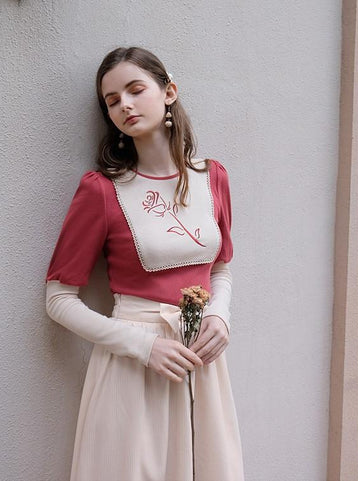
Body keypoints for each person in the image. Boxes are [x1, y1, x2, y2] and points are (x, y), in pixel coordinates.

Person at [45, 46, 245, 481]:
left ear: (169, 91)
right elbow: (58, 299)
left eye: (135, 90)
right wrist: (143, 345)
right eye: (112, 100)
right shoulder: (102, 191)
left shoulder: (212, 178)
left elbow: (220, 268)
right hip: (132, 368)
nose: (125, 105)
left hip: (201, 363)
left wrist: (219, 316)